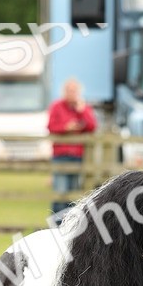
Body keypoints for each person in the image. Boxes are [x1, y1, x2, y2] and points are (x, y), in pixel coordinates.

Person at [47, 78, 97, 218]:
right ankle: (56, 224)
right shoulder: (57, 106)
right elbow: (51, 127)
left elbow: (92, 126)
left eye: (74, 90)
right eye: (69, 90)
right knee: (60, 191)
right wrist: (66, 128)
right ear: (64, 92)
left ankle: (71, 224)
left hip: (78, 155)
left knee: (75, 192)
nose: (71, 93)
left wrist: (81, 111)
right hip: (61, 154)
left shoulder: (83, 107)